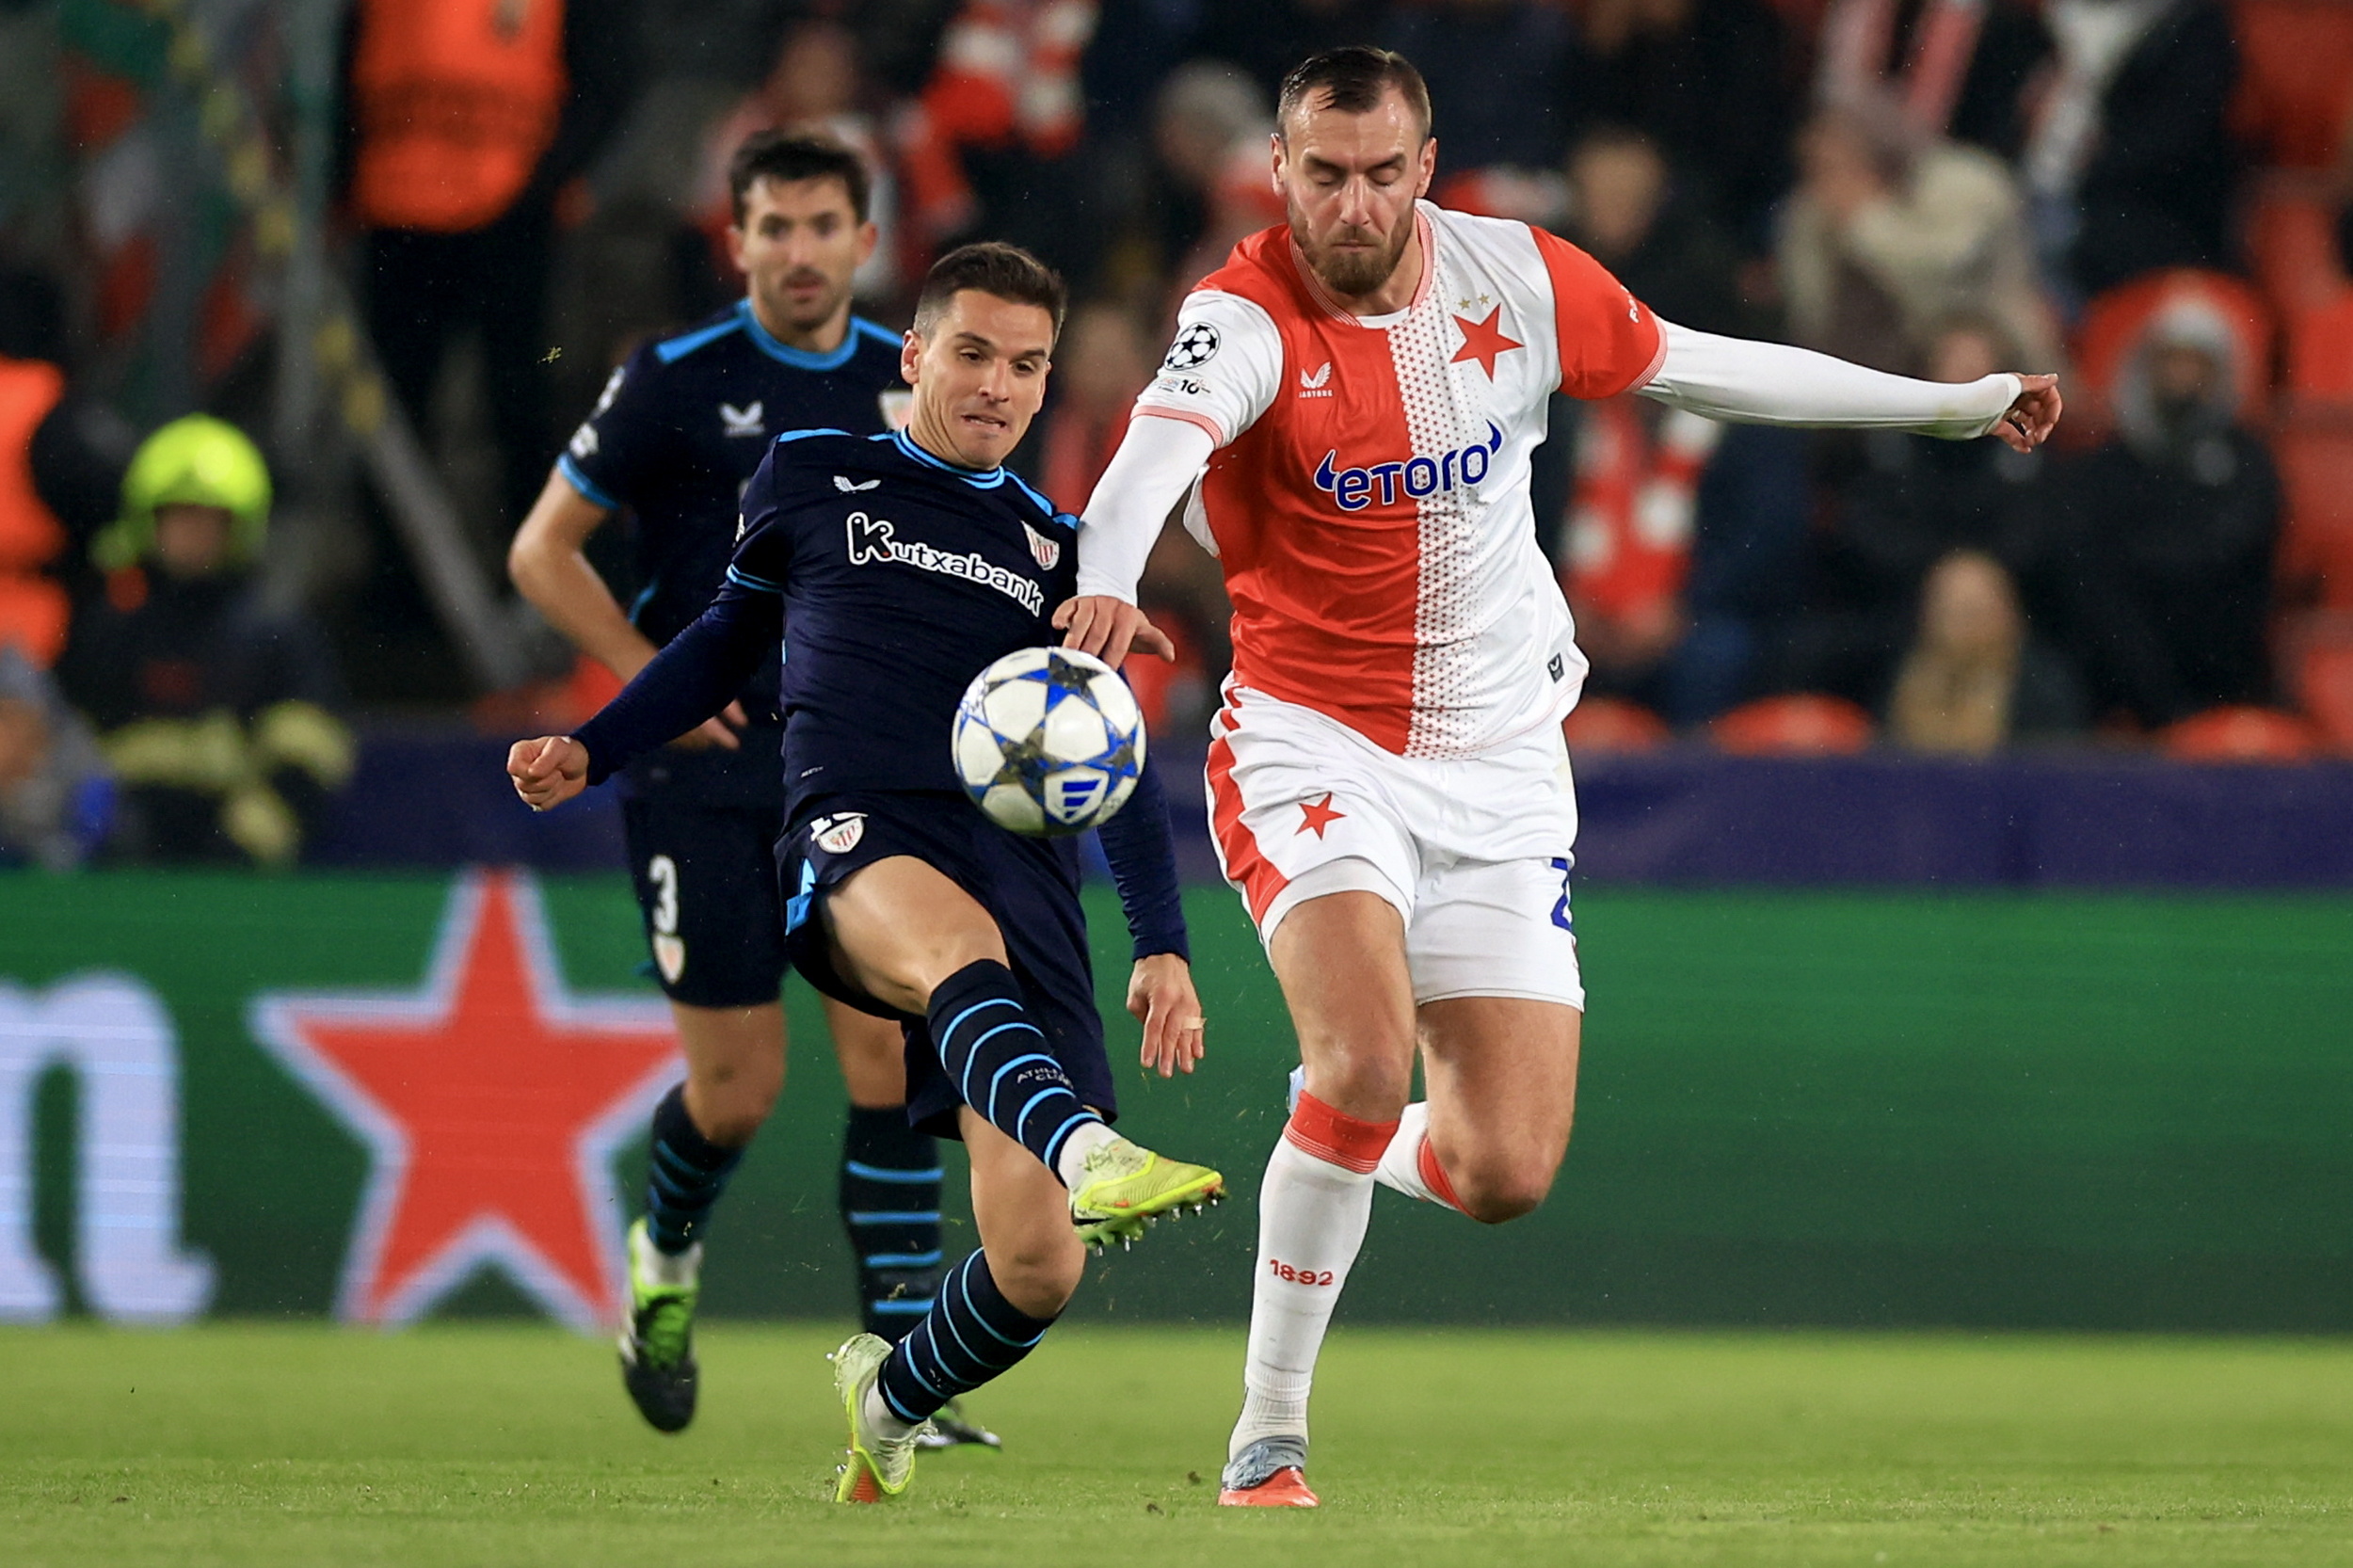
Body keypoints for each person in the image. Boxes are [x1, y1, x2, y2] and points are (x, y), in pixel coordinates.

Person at [1057, 46, 2061, 1508]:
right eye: (1321, 173)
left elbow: (1708, 365)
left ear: (1426, 165)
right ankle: (1269, 1428)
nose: (1351, 203)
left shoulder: (1512, 278)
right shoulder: (1243, 313)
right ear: (1279, 173)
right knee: (1358, 1054)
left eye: (1381, 171)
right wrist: (1101, 584)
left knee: (1503, 1169)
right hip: (1311, 741)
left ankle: (1327, 1139)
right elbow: (1151, 458)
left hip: (1506, 764)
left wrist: (1947, 400)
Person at [506, 242, 1225, 1505]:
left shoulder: (1065, 556)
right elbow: (726, 638)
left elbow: (1109, 751)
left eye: (1025, 365)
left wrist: (1161, 941)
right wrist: (599, 743)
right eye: (972, 353)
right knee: (957, 957)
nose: (997, 384)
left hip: (1024, 886)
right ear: (915, 357)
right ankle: (1091, 1146)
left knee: (1038, 1264)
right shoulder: (816, 474)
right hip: (857, 836)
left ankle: (889, 1393)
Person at [507, 132, 992, 1445]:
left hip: (853, 768)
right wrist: (652, 668)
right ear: (736, 242)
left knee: (890, 1056)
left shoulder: (916, 380)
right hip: (702, 770)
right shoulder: (672, 378)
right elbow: (541, 551)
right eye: (772, 227)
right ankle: (663, 1265)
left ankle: (908, 1363)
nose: (796, 250)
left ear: (861, 238)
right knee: (738, 1094)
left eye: (821, 224)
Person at [56, 416, 353, 867]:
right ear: (148, 521)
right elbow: (74, 744)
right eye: (179, 515)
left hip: (245, 871)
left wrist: (247, 839)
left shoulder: (277, 633)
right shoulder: (113, 629)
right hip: (124, 865)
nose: (193, 533)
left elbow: (311, 754)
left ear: (239, 526)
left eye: (210, 519)